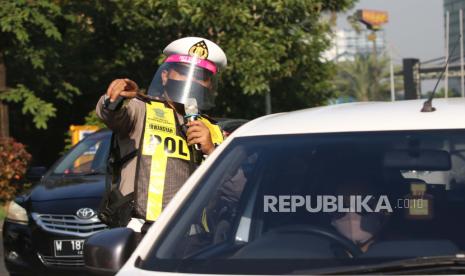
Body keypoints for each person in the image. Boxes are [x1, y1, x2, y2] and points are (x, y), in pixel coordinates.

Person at [96, 37, 226, 232]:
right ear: (165, 76)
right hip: (140, 230)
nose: (193, 80)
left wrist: (212, 151)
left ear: (210, 85)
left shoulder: (214, 130)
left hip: (191, 235)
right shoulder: (143, 109)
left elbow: (236, 190)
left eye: (202, 76)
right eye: (184, 72)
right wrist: (115, 99)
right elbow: (112, 115)